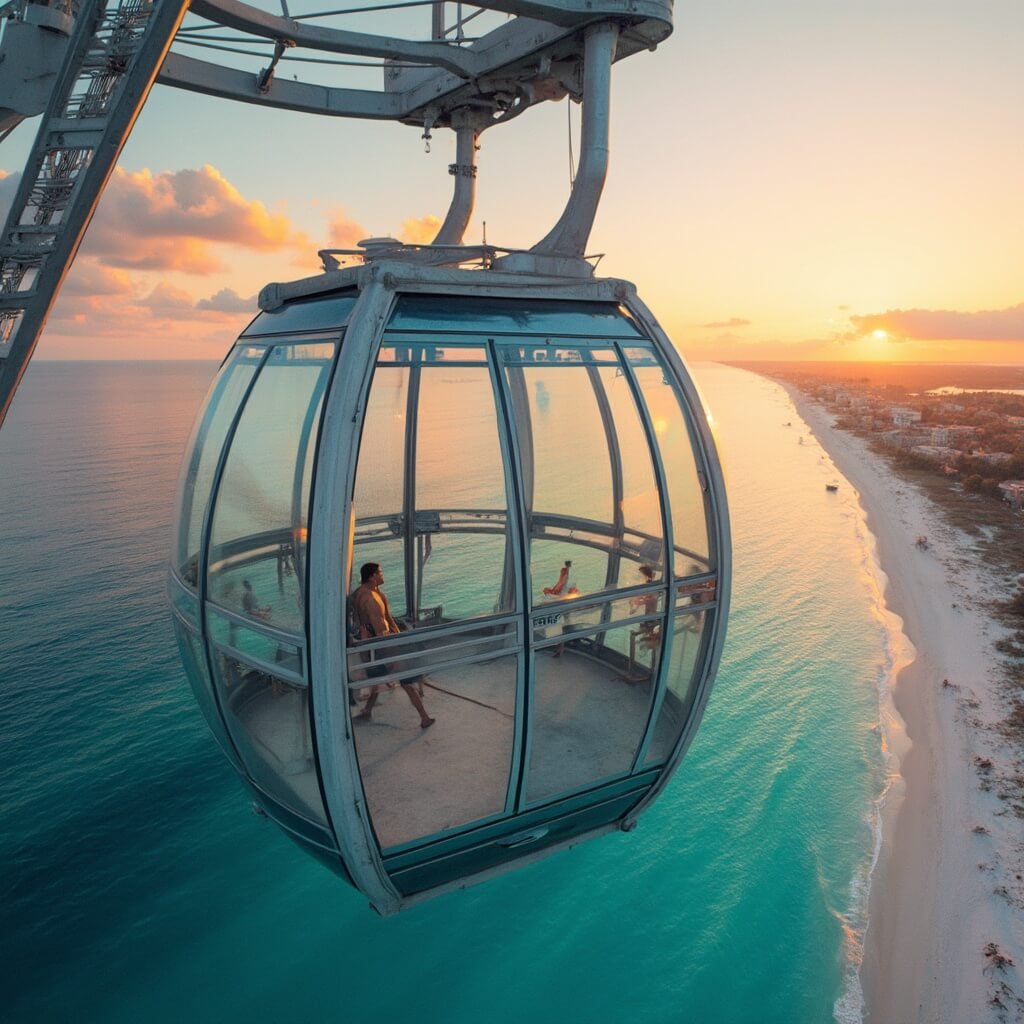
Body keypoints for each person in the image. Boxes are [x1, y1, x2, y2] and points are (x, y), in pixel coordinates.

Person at [351, 562, 434, 729]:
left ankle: (367, 710)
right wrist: (394, 653)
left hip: (376, 647)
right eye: (380, 572)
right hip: (383, 648)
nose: (383, 575)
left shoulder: (364, 593)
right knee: (406, 680)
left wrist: (400, 638)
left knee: (377, 679)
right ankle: (424, 718)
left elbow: (383, 620)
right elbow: (380, 632)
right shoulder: (371, 600)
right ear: (373, 576)